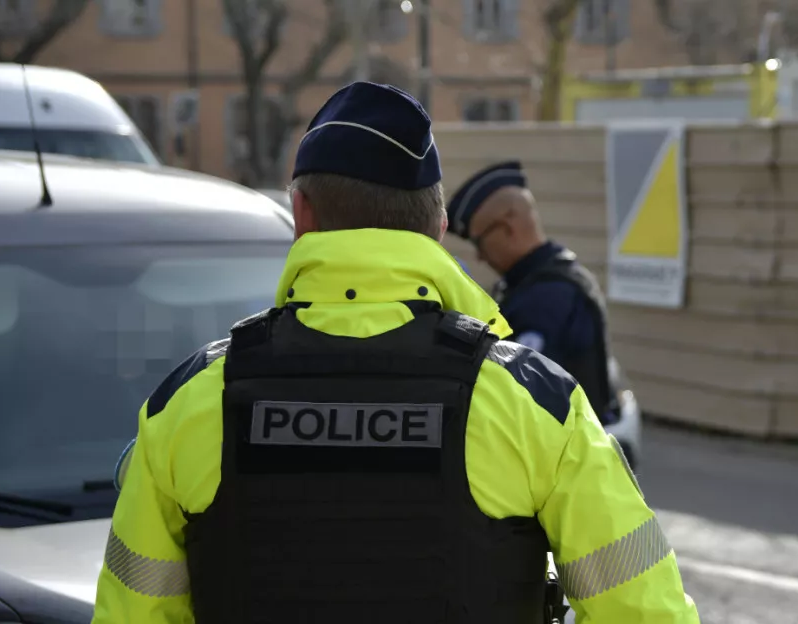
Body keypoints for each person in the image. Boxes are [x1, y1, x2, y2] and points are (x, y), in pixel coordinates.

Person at [92, 82, 699, 624]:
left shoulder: (188, 403)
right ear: (436, 228)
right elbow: (645, 613)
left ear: (301, 215)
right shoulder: (533, 406)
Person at [446, 162, 617, 428]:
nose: (479, 256)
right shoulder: (547, 279)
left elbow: (523, 398)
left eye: (479, 242)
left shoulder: (546, 298)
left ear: (507, 228)